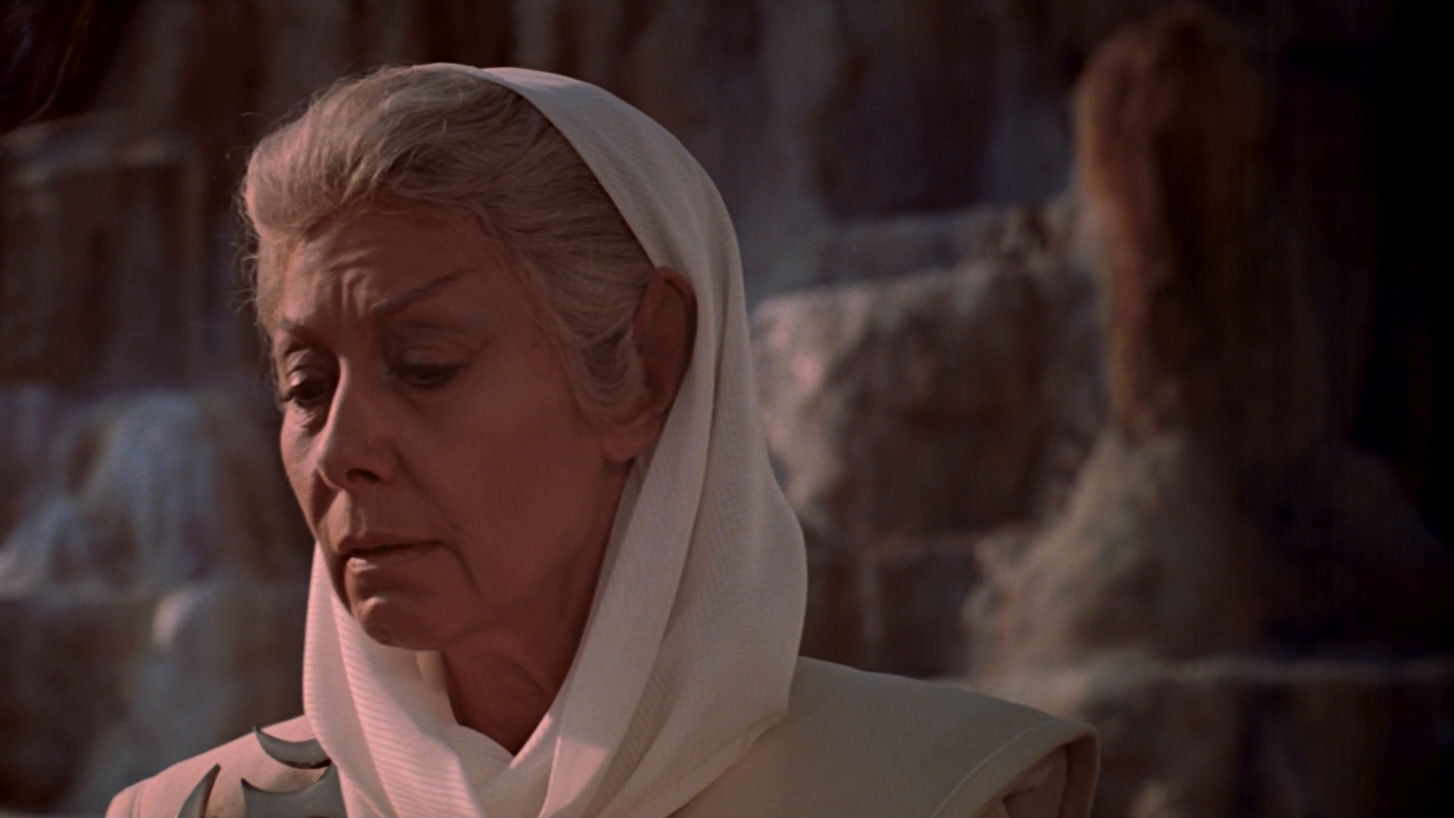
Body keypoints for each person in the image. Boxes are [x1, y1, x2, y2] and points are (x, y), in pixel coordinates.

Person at [109, 64, 1097, 818]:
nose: (339, 450)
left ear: (647, 367)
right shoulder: (191, 812)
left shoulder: (936, 791)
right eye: (306, 387)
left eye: (425, 364)